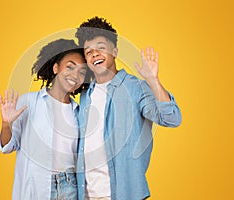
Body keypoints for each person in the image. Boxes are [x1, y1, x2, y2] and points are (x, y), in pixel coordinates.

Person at [75, 16, 182, 200]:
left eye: (101, 48)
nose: (95, 54)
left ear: (115, 51)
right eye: (89, 51)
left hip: (124, 194)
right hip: (86, 195)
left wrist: (153, 80)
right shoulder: (85, 96)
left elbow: (172, 118)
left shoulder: (136, 88)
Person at [0, 39, 89, 200]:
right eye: (70, 67)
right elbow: (7, 147)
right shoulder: (29, 103)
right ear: (55, 68)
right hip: (37, 185)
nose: (75, 75)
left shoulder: (79, 112)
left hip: (70, 187)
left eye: (82, 72)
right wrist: (6, 124)